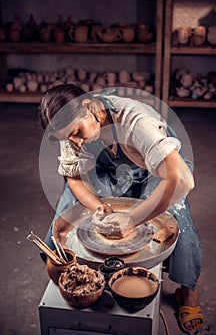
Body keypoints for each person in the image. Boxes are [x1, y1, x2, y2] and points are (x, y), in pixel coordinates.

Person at [38, 84, 204, 332]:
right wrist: (98, 207)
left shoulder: (137, 122)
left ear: (88, 106)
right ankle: (77, 277)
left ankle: (189, 293)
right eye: (68, 137)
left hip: (156, 171)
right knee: (68, 210)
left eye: (76, 132)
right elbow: (73, 176)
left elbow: (183, 180)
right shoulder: (69, 124)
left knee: (176, 215)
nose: (75, 140)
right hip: (110, 169)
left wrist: (133, 218)